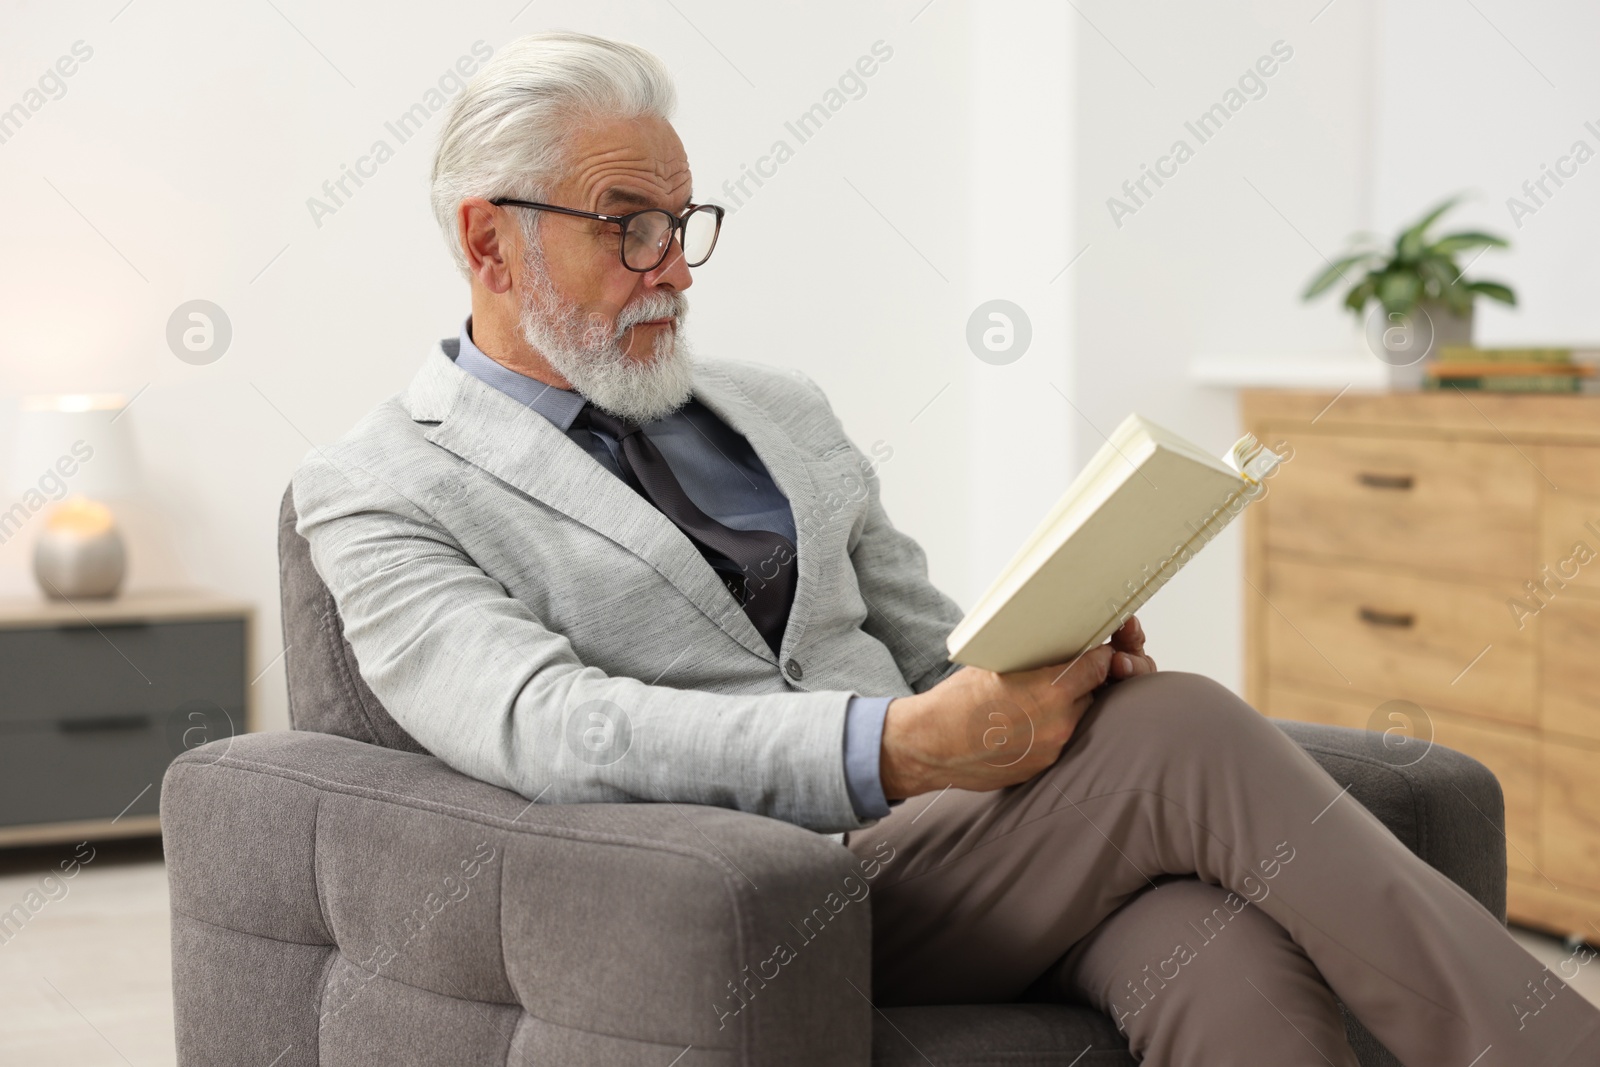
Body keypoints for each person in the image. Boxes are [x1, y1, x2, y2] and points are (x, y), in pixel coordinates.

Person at [292, 31, 1600, 1066]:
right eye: (628, 225)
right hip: (752, 893)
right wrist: (896, 749)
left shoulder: (775, 409)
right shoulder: (378, 487)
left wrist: (1052, 662)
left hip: (960, 844)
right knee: (1186, 734)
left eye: (685, 225)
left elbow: (927, 639)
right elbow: (545, 726)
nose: (674, 268)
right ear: (487, 240)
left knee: (1207, 945)